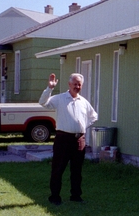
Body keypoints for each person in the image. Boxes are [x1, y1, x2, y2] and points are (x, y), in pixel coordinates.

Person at [39, 73, 98, 205]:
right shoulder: (59, 99)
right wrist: (49, 88)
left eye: (79, 84)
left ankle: (76, 196)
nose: (77, 86)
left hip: (79, 141)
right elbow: (43, 103)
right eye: (75, 84)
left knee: (77, 171)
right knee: (58, 169)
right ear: (69, 84)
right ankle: (55, 197)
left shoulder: (83, 102)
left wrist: (83, 126)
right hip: (63, 139)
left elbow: (93, 116)